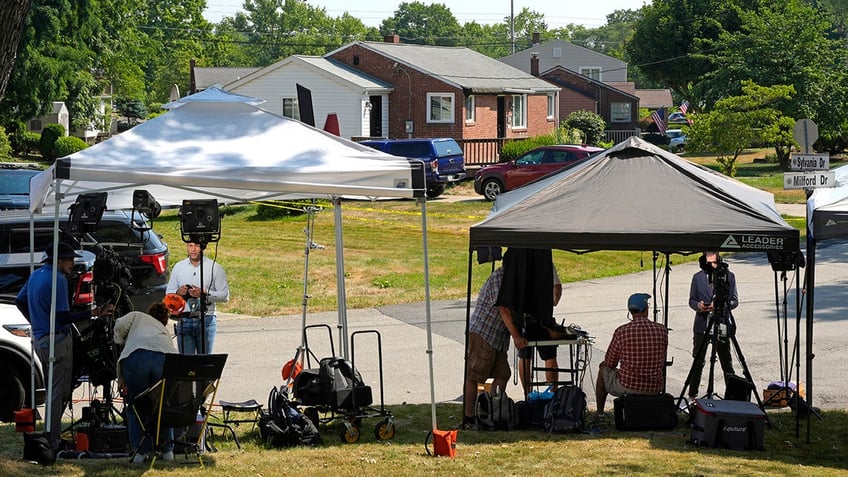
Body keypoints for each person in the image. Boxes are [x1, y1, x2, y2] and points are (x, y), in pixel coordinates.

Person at [14, 242, 113, 451]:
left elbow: (20, 300)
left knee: (54, 388)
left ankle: (52, 435)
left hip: (41, 339)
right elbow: (63, 316)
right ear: (59, 261)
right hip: (57, 341)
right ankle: (52, 439)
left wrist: (36, 321)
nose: (72, 264)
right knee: (57, 392)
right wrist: (93, 313)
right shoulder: (57, 279)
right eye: (69, 260)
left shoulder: (36, 275)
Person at [114, 301, 180, 463]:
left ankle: (140, 452)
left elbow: (120, 325)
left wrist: (120, 340)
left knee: (136, 405)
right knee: (162, 404)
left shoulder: (138, 316)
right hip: (164, 357)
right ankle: (167, 450)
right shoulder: (162, 330)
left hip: (137, 356)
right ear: (164, 320)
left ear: (149, 312)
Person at [462, 266, 526, 429]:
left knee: (503, 374)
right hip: (484, 332)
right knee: (474, 376)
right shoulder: (500, 277)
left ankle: (491, 410)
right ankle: (469, 418)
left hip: (497, 338)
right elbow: (503, 308)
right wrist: (516, 336)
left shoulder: (515, 280)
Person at [595, 293, 668, 415]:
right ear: (646, 309)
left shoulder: (622, 331)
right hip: (654, 388)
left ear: (630, 311)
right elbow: (662, 358)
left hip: (628, 386)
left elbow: (610, 362)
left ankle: (600, 413)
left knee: (603, 369)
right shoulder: (661, 330)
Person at [687, 251, 738, 402]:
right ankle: (692, 394)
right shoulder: (697, 277)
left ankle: (732, 395)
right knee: (698, 360)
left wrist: (721, 305)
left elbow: (734, 300)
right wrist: (699, 306)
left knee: (726, 361)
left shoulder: (729, 276)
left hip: (721, 322)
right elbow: (691, 300)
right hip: (702, 325)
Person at [166, 242, 229, 354]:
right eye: (190, 246)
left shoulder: (214, 267)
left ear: (202, 247)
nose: (193, 249)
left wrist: (205, 293)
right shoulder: (179, 267)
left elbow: (224, 295)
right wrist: (178, 292)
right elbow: (169, 293)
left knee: (204, 363)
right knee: (186, 365)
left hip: (206, 319)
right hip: (185, 320)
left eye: (197, 246)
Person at [517, 265, 563, 398]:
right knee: (549, 355)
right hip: (543, 317)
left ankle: (527, 394)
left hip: (524, 317)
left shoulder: (521, 261)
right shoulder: (546, 262)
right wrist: (553, 302)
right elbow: (557, 287)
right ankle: (553, 394)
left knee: (524, 355)